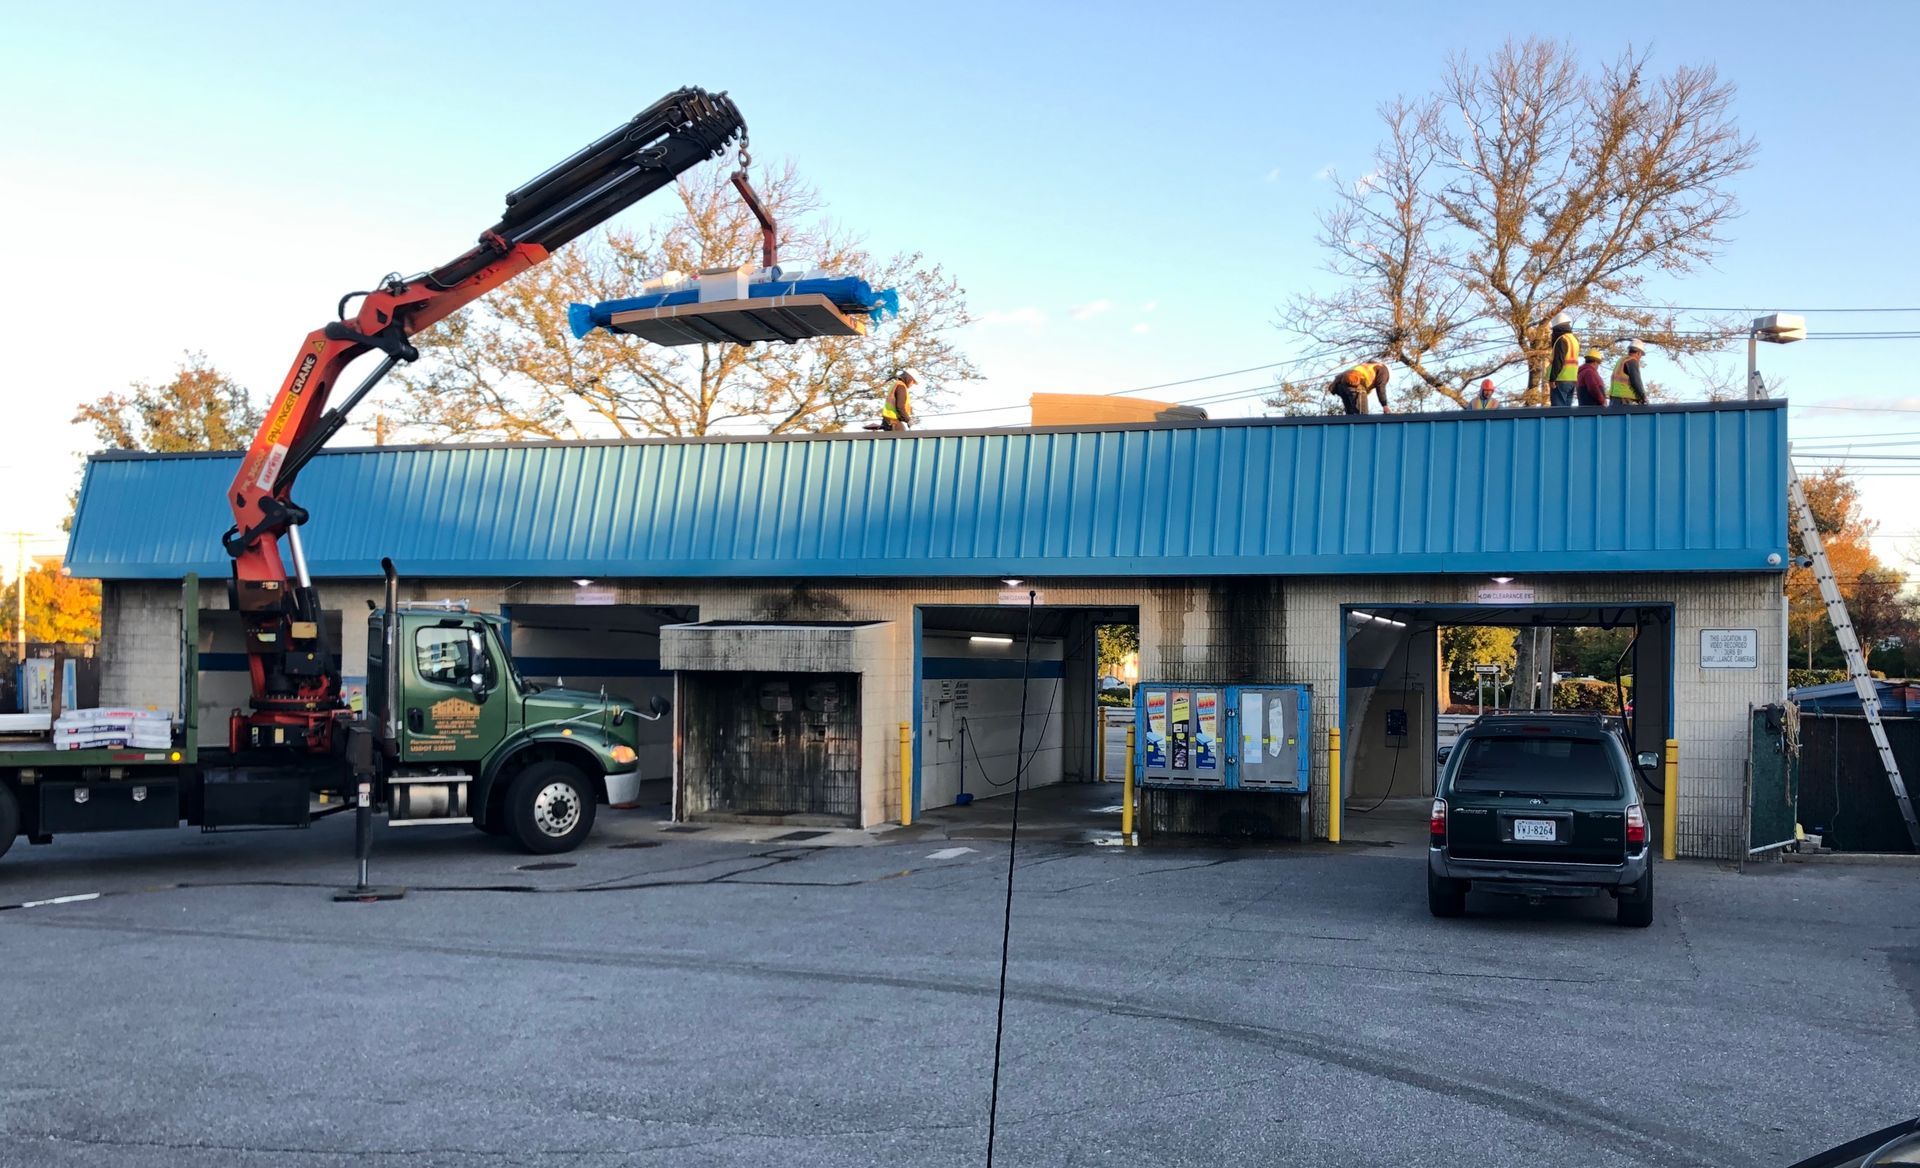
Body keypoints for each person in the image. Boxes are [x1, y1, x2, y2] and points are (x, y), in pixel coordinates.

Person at [1546, 312, 1580, 407]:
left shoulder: (1562, 339)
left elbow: (1559, 360)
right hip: (1572, 380)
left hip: (1560, 380)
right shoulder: (1574, 340)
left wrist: (1552, 379)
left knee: (1558, 412)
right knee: (1566, 412)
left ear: (1557, 328)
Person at [1609, 342, 1649, 408]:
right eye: (1641, 355)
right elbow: (1636, 381)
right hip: (1624, 400)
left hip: (1614, 399)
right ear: (1638, 353)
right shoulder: (1632, 361)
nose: (1640, 358)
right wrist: (1643, 397)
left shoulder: (1621, 361)